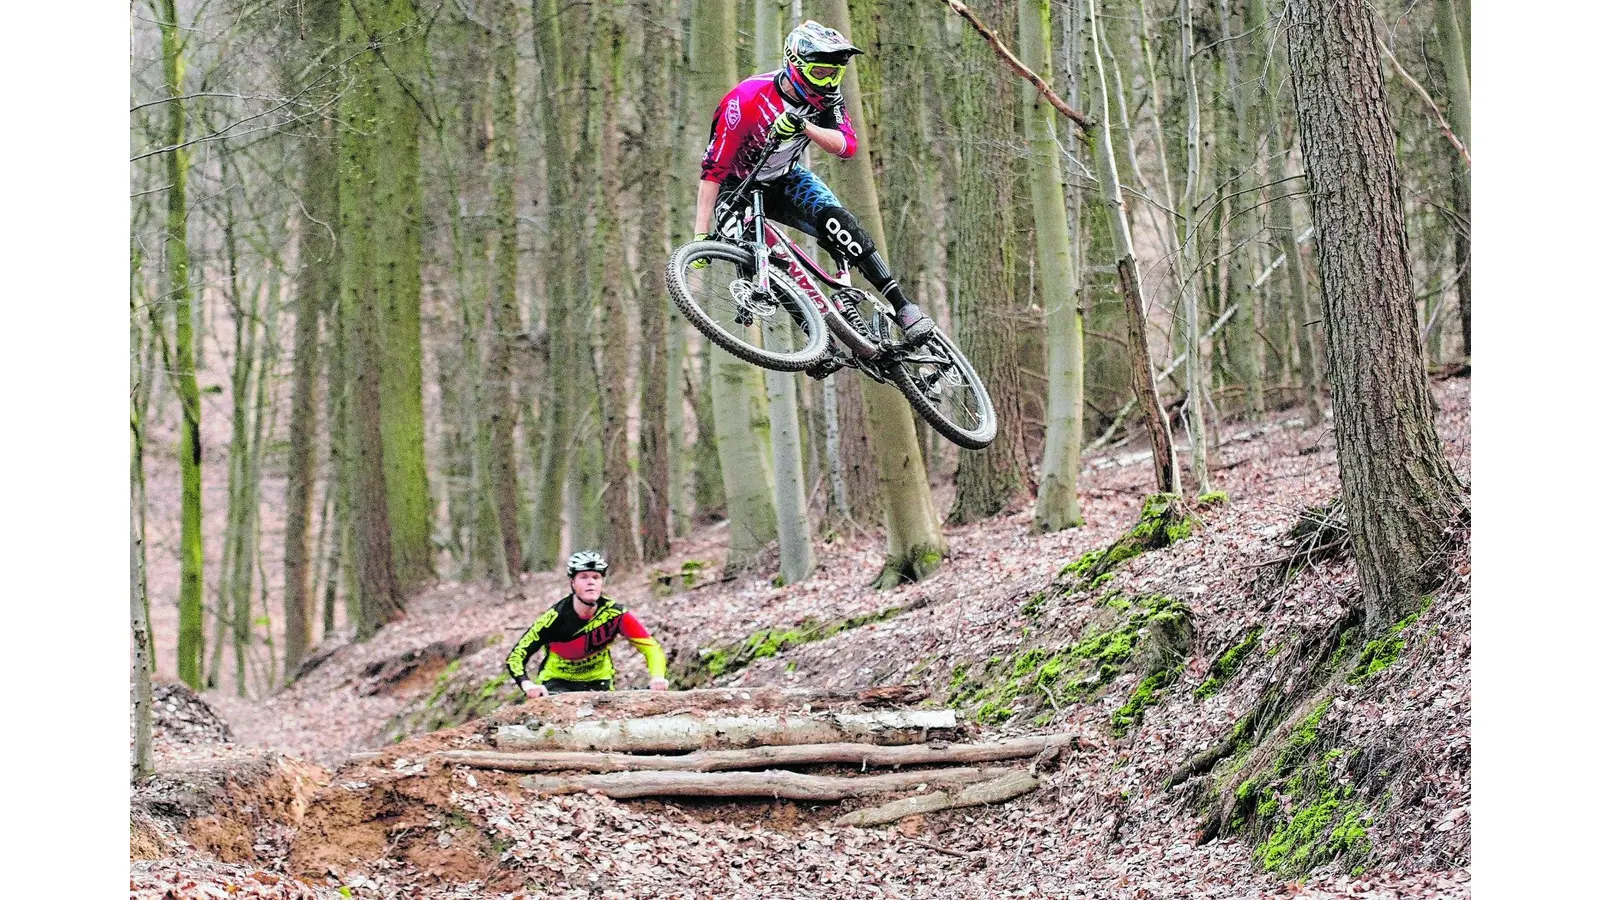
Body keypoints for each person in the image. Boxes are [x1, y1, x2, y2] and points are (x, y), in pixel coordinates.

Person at [693, 19, 933, 345]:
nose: (829, 81)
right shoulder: (747, 99)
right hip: (736, 186)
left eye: (836, 73)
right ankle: (817, 341)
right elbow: (712, 171)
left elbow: (846, 146)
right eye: (820, 72)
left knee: (839, 221)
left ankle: (903, 308)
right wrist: (700, 233)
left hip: (786, 178)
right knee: (763, 253)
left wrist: (804, 126)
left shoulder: (827, 99)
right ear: (795, 64)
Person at [505, 551, 670, 696]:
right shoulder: (554, 618)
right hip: (557, 684)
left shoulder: (615, 614)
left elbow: (651, 648)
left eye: (596, 577)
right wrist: (527, 684)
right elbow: (516, 656)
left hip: (599, 683)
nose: (590, 582)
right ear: (573, 583)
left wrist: (658, 677)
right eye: (583, 577)